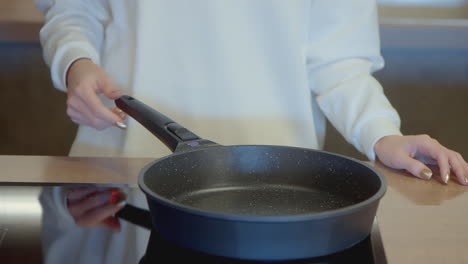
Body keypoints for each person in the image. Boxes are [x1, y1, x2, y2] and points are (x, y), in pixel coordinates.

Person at [35, 0, 468, 264]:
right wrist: (76, 62)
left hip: (280, 193)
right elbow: (72, 9)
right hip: (119, 162)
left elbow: (339, 58)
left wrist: (382, 133)